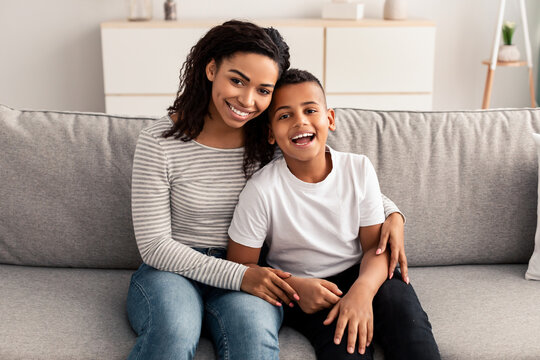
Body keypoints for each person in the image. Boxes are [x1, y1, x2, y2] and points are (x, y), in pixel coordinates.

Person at [127, 19, 407, 360]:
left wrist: (392, 213)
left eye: (263, 90)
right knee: (173, 330)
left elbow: (331, 175)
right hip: (173, 271)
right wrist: (243, 276)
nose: (247, 100)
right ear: (211, 68)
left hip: (252, 270)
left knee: (252, 339)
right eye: (237, 81)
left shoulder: (271, 137)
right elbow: (155, 246)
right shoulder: (158, 142)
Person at [227, 69, 440, 360]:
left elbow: (375, 249)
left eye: (310, 110)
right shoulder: (262, 189)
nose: (300, 121)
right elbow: (241, 266)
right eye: (284, 115)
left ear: (330, 118)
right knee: (346, 349)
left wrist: (362, 292)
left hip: (365, 274)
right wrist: (295, 287)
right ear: (270, 133)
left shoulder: (358, 168)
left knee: (411, 330)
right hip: (303, 289)